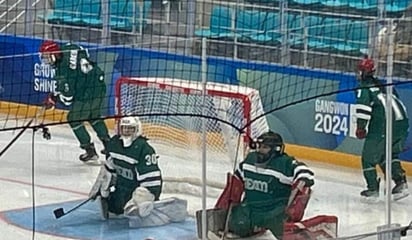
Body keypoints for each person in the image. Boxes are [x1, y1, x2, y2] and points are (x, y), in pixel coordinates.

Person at [221, 131, 315, 239]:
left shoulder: (284, 163)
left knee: (280, 230)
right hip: (251, 209)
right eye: (259, 146)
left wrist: (302, 182)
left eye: (264, 147)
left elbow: (307, 174)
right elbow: (237, 179)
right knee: (236, 224)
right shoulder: (250, 160)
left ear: (276, 150)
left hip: (274, 212)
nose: (260, 150)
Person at [38, 40, 110, 163]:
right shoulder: (69, 47)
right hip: (99, 84)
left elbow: (68, 99)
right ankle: (110, 146)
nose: (46, 61)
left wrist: (54, 99)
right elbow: (84, 52)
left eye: (47, 57)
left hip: (87, 93)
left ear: (55, 54)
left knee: (73, 118)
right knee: (94, 116)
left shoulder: (63, 72)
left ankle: (89, 150)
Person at [355, 56, 409, 201]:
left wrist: (361, 127)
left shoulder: (364, 88)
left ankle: (372, 189)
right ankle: (401, 183)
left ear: (363, 72)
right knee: (388, 155)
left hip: (383, 126)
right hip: (402, 123)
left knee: (368, 158)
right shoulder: (385, 85)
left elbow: (363, 108)